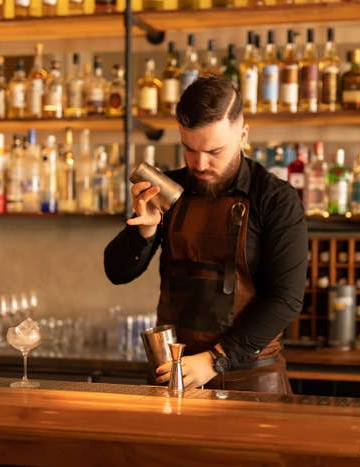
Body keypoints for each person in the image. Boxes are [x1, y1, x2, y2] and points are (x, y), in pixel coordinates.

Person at [104, 75, 307, 395]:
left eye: (214, 151)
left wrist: (215, 360)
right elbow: (116, 272)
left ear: (243, 134)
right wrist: (144, 231)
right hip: (174, 376)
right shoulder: (168, 189)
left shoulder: (274, 198)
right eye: (189, 149)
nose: (199, 163)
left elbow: (286, 299)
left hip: (249, 381)